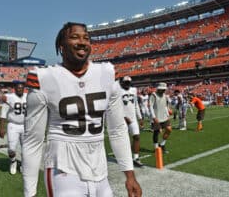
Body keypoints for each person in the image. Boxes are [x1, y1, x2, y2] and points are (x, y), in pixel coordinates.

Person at [23, 22, 141, 197]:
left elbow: (117, 130)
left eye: (86, 38)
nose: (82, 42)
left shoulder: (107, 73)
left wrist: (129, 176)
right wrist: (29, 193)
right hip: (63, 169)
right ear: (61, 46)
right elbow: (33, 139)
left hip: (100, 171)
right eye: (74, 37)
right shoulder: (44, 77)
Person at [0, 83, 27, 175]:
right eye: (18, 88)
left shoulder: (28, 96)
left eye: (21, 88)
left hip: (26, 125)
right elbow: (3, 113)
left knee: (26, 149)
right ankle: (13, 161)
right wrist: (1, 128)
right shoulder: (9, 97)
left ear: (24, 89)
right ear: (14, 89)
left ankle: (24, 164)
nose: (20, 89)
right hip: (13, 125)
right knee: (11, 149)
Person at [119, 76, 144, 167]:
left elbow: (136, 105)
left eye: (129, 82)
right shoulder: (118, 92)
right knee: (124, 140)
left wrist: (140, 117)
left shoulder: (133, 90)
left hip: (133, 118)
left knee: (136, 137)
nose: (127, 84)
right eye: (126, 82)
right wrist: (124, 117)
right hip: (121, 119)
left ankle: (136, 158)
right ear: (122, 83)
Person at [149, 82, 172, 153]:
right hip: (156, 117)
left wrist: (168, 114)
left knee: (169, 129)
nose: (163, 91)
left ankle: (162, 144)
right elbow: (150, 106)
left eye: (164, 89)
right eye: (162, 89)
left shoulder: (165, 96)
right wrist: (154, 117)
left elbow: (165, 106)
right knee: (156, 132)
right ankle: (156, 148)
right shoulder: (153, 95)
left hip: (164, 117)